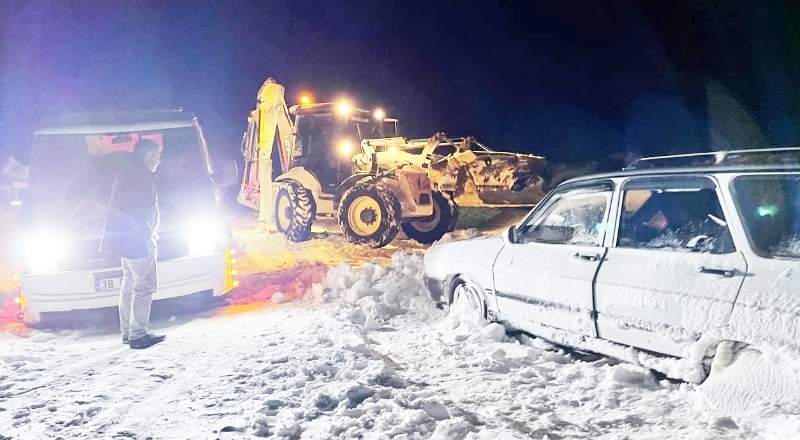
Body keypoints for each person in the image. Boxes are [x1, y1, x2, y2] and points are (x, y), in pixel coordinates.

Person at [99, 139, 166, 349]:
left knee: (128, 285)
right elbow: (142, 209)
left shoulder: (126, 172)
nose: (159, 161)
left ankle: (128, 332)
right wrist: (148, 234)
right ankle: (138, 334)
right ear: (148, 155)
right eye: (157, 156)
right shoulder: (142, 176)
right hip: (138, 240)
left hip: (124, 240)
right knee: (145, 286)